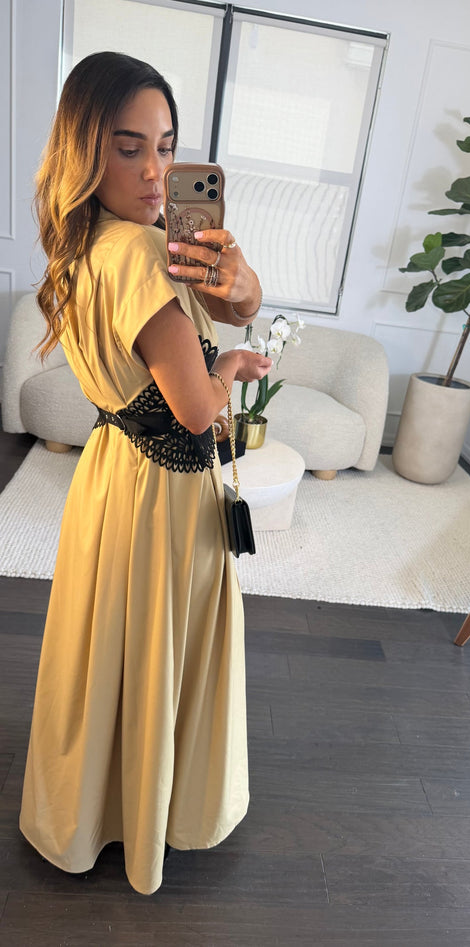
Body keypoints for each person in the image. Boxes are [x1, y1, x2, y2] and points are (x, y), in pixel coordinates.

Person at [19, 51, 272, 896]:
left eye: (165, 147)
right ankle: (156, 811)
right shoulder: (137, 252)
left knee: (108, 649)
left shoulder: (88, 241)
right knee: (157, 649)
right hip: (165, 492)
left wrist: (239, 291)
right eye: (128, 148)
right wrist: (230, 366)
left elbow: (225, 307)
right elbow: (197, 410)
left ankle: (87, 808)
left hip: (112, 470)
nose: (156, 172)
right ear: (84, 150)